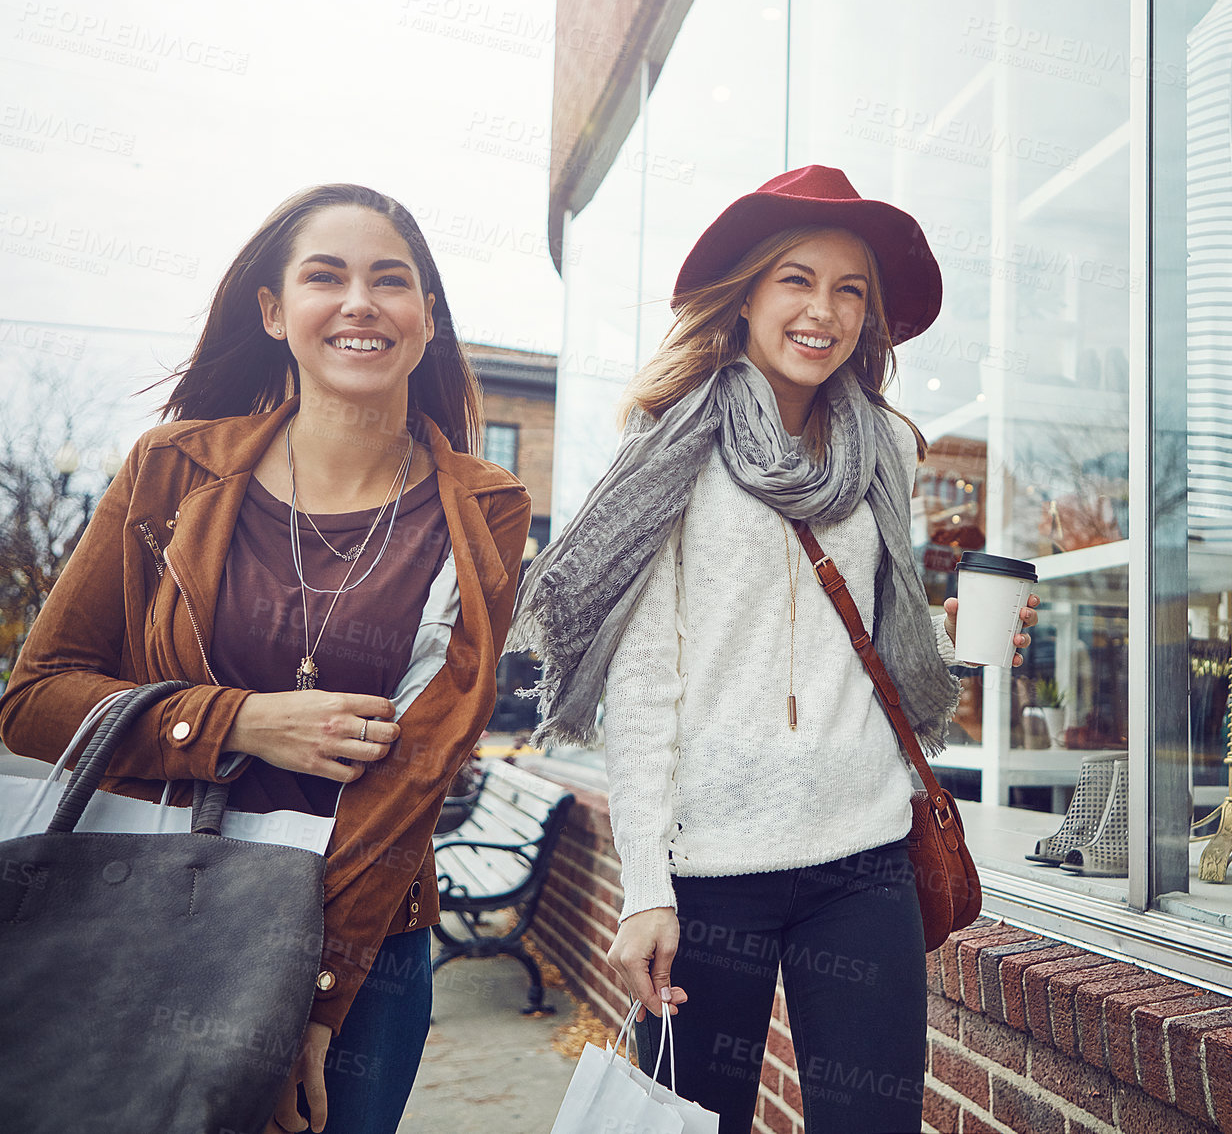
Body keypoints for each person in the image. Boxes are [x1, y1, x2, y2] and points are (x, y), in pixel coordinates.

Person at [510, 165, 1038, 1134]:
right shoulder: (673, 449)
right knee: (696, 1120)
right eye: (796, 279)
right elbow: (644, 684)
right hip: (711, 868)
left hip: (864, 854)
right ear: (747, 292)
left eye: (849, 290)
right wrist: (644, 885)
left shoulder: (881, 445)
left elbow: (874, 637)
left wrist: (953, 640)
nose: (822, 311)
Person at [0, 184, 531, 1134]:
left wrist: (312, 1003)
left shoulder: (482, 509)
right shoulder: (171, 469)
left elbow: (417, 771)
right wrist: (238, 719)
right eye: (325, 276)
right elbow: (33, 701)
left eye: (391, 281)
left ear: (426, 319)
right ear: (275, 312)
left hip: (360, 944)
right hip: (149, 913)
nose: (360, 302)